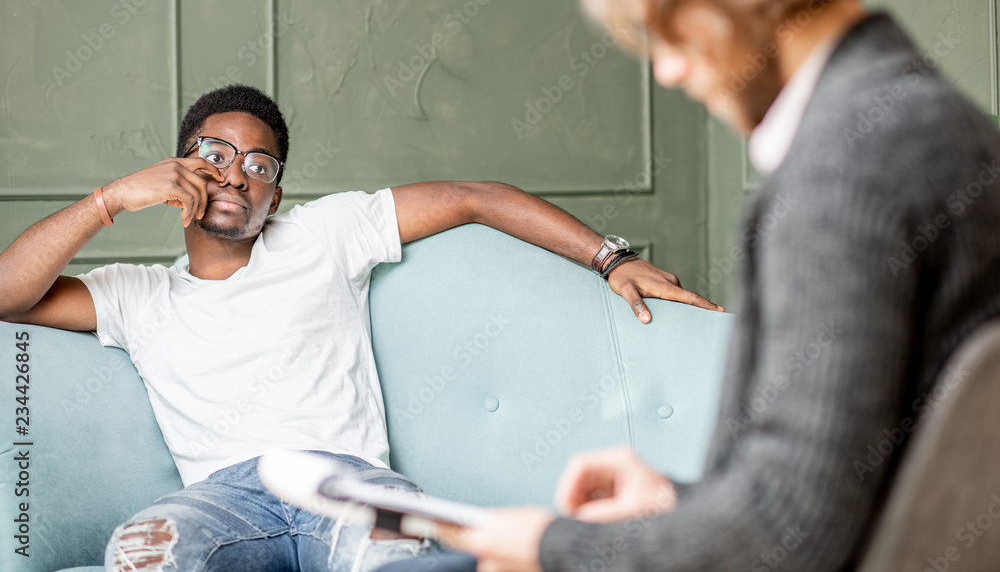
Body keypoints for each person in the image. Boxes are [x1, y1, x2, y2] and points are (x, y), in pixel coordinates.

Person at [430, 0, 1000, 571]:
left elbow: (786, 532)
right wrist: (677, 501)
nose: (668, 71)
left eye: (673, 30)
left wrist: (552, 546)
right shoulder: (949, 125)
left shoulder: (840, 173)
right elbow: (849, 488)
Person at [0, 84, 720, 572]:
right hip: (223, 498)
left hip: (344, 481)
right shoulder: (135, 295)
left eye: (258, 165)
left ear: (273, 194)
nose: (233, 175)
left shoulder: (324, 232)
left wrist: (611, 258)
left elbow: (474, 197)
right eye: (214, 155)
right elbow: (8, 292)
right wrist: (111, 199)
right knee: (145, 549)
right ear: (179, 170)